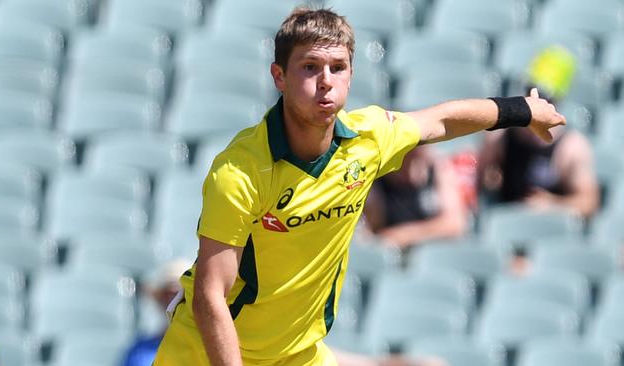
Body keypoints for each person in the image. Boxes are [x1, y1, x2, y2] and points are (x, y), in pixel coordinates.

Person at [153, 7, 565, 366]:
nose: (325, 81)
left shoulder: (368, 139)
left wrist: (523, 110)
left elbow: (441, 121)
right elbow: (210, 297)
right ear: (279, 76)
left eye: (338, 67)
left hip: (298, 355)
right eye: (309, 67)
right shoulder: (239, 172)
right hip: (206, 354)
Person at [477, 45, 599, 219]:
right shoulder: (499, 137)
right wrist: (490, 178)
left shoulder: (571, 148)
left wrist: (553, 205)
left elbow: (589, 203)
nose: (536, 102)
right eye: (530, 93)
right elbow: (478, 183)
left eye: (544, 97)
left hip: (551, 232)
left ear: (557, 99)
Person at [363, 145, 467, 250]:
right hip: (389, 254)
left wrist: (404, 235)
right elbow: (371, 232)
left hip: (430, 252)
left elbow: (455, 225)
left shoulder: (439, 169)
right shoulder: (377, 176)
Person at [121, 259, 191, 366]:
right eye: (168, 294)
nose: (173, 301)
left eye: (179, 295)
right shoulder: (140, 349)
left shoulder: (202, 346)